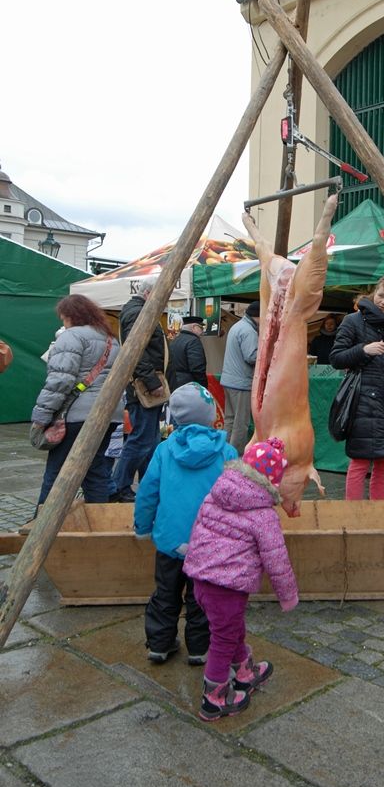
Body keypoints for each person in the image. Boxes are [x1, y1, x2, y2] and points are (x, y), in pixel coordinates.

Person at [183, 436, 298, 721]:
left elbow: (198, 528)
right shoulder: (263, 515)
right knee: (222, 638)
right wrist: (288, 595)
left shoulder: (216, 493)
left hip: (201, 581)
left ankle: (244, 671)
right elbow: (277, 560)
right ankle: (214, 697)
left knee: (231, 628)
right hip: (228, 587)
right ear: (272, 481)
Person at [134, 383, 238, 664]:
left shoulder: (164, 450)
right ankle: (200, 648)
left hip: (170, 541)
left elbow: (147, 492)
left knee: (165, 594)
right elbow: (236, 496)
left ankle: (159, 644)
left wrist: (142, 527)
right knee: (202, 598)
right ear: (210, 414)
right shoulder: (226, 452)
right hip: (209, 543)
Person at [329, 275, 384, 501]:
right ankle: (353, 515)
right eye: (380, 295)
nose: (383, 301)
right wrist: (363, 350)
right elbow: (336, 358)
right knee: (359, 462)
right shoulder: (353, 321)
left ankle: (378, 515)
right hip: (362, 403)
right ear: (373, 293)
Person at [31, 294, 123, 504]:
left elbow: (59, 382)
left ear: (71, 316)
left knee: (56, 472)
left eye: (63, 318)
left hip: (78, 415)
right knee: (95, 471)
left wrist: (41, 416)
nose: (63, 322)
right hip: (110, 414)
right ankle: (99, 525)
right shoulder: (111, 339)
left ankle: (41, 525)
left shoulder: (71, 337)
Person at [113, 277, 170, 502]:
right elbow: (136, 351)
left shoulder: (136, 311)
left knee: (149, 439)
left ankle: (145, 483)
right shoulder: (137, 313)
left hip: (146, 386)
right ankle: (119, 485)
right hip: (144, 388)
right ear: (149, 294)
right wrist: (152, 382)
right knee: (142, 439)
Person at [220, 299, 260, 454]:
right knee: (240, 423)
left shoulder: (237, 326)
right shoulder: (249, 331)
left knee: (229, 420)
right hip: (241, 383)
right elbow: (251, 356)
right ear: (258, 316)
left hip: (230, 381)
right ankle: (234, 457)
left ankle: (224, 453)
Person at [168, 315, 207, 391]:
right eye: (201, 328)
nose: (202, 332)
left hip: (174, 384)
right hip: (189, 386)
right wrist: (203, 387)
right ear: (194, 327)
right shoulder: (193, 341)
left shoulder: (174, 340)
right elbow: (197, 368)